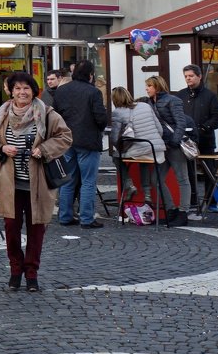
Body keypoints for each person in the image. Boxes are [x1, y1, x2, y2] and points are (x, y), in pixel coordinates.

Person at [0, 71, 72, 292]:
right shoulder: (0, 115)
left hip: (38, 182)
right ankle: (15, 270)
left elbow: (65, 137)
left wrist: (43, 149)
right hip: (10, 183)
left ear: (34, 91)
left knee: (36, 229)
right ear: (11, 92)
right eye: (17, 88)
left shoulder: (48, 114)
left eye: (26, 88)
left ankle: (31, 273)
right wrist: (2, 148)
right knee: (11, 229)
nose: (22, 92)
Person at [53, 60, 108, 229]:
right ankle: (86, 218)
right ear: (90, 75)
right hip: (88, 141)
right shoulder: (93, 92)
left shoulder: (61, 90)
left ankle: (65, 216)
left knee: (68, 180)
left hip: (67, 140)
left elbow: (55, 115)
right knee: (88, 181)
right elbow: (101, 119)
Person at [109, 86, 168, 220]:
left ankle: (129, 185)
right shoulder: (145, 106)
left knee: (116, 157)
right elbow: (159, 129)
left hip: (140, 150)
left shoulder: (118, 112)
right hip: (156, 149)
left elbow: (114, 138)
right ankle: (147, 195)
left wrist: (120, 147)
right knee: (144, 161)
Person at [145, 75, 192, 227]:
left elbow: (181, 122)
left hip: (174, 145)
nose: (147, 89)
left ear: (157, 87)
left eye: (149, 86)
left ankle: (183, 212)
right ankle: (171, 210)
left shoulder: (173, 100)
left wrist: (175, 140)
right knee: (156, 179)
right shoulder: (148, 102)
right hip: (161, 146)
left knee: (182, 179)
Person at [177, 65, 218, 213]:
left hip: (205, 139)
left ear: (199, 76)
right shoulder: (180, 96)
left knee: (209, 171)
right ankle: (191, 200)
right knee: (188, 172)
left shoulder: (210, 96)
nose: (188, 78)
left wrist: (204, 128)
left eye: (191, 76)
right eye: (186, 76)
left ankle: (211, 202)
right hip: (187, 141)